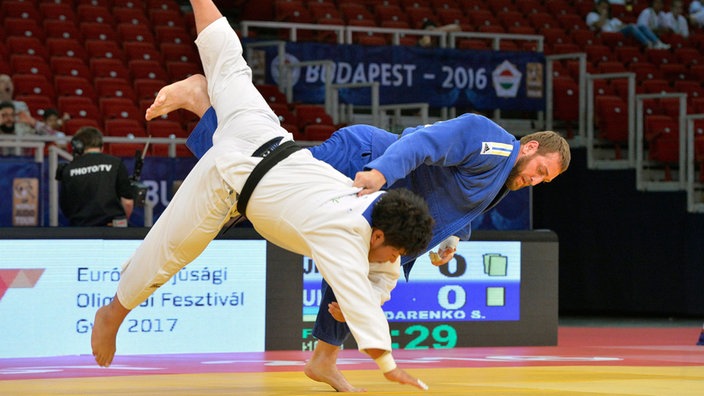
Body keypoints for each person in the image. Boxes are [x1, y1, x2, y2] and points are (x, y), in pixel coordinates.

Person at [144, 74, 571, 391]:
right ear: (530, 147)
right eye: (540, 171)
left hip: (382, 209)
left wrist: (453, 238)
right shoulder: (490, 140)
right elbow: (423, 144)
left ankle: (324, 360)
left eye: (544, 182)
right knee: (261, 176)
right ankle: (203, 102)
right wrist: (380, 172)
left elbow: (462, 201)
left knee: (355, 270)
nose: (536, 180)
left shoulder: (500, 176)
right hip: (366, 161)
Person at [91, 0, 435, 391]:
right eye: (394, 253)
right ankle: (113, 314)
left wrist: (372, 300)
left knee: (230, 61)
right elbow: (358, 296)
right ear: (377, 237)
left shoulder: (379, 204)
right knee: (170, 252)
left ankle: (200, 55)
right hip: (227, 180)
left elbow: (380, 280)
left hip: (264, 132)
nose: (394, 261)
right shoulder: (345, 232)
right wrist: (388, 365)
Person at [56, 126, 134, 226]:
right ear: (102, 146)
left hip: (80, 231)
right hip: (113, 229)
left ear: (78, 146)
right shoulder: (115, 163)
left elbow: (65, 207)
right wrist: (122, 221)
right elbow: (128, 202)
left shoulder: (68, 169)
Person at [586, 0, 670, 49]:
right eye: (602, 7)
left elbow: (623, 25)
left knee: (641, 26)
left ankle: (657, 42)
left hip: (618, 33)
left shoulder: (613, 20)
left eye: (606, 8)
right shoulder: (592, 15)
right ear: (597, 7)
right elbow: (598, 25)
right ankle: (648, 43)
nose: (605, 10)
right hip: (607, 35)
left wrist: (621, 26)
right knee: (632, 27)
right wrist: (603, 15)